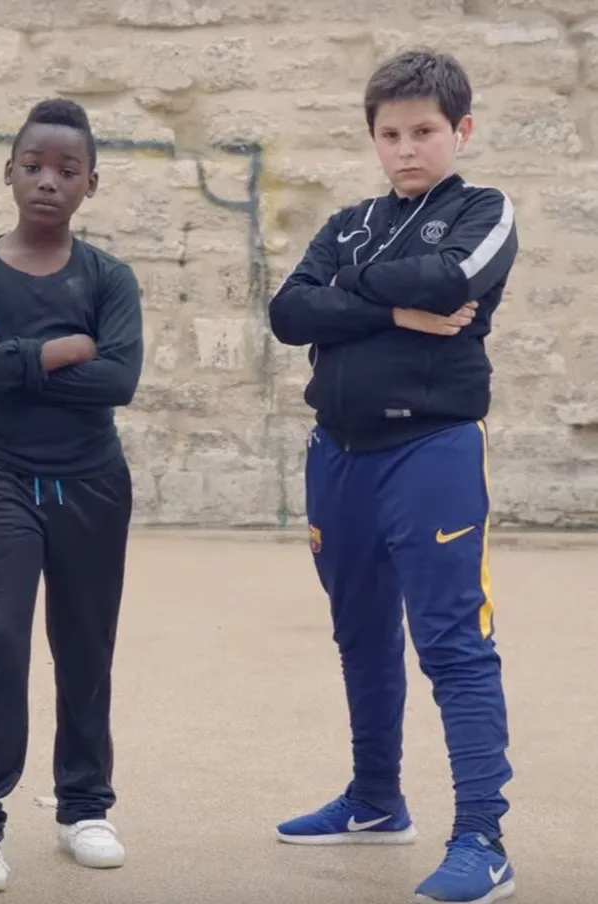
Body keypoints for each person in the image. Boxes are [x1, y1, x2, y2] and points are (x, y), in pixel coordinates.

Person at [267, 49, 519, 904]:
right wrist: (392, 309)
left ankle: (482, 838)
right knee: (361, 633)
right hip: (338, 455)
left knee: (451, 640)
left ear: (460, 130)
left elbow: (450, 280)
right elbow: (287, 311)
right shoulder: (349, 223)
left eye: (424, 132)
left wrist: (348, 297)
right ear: (373, 137)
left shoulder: (483, 210)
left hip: (431, 452)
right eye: (390, 135)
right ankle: (376, 801)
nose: (407, 149)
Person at [0, 98, 144, 894]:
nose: (48, 181)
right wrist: (61, 351)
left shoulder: (109, 278)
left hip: (93, 485)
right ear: (9, 173)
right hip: (2, 481)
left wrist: (12, 359)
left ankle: (85, 806)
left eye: (66, 170)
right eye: (33, 166)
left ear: (91, 183)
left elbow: (118, 380)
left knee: (85, 646)